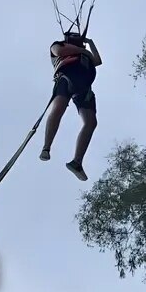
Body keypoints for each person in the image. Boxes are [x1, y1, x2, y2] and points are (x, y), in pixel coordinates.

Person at [39, 32, 102, 181]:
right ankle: (46, 147)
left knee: (91, 122)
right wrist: (82, 50)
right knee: (59, 107)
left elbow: (97, 61)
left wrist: (90, 43)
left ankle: (77, 162)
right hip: (67, 77)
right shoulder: (58, 45)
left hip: (84, 86)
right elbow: (59, 52)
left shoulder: (86, 55)